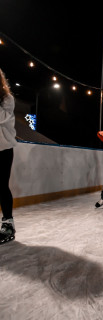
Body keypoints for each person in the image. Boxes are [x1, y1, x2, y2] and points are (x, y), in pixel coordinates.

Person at [0, 69, 17, 244]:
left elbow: (1, 118)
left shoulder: (7, 99)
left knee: (2, 186)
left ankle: (8, 223)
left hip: (3, 148)